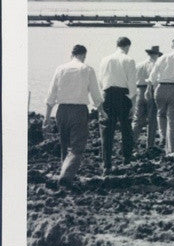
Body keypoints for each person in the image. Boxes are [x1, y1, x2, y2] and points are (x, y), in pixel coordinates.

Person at [43, 44, 104, 185]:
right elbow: (96, 95)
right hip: (79, 111)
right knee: (77, 148)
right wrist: (101, 111)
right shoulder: (87, 69)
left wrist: (46, 117)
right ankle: (65, 177)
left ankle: (64, 174)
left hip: (62, 110)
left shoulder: (60, 69)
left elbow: (51, 95)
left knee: (64, 145)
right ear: (83, 55)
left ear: (72, 55)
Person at [98, 36, 138, 175]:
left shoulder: (104, 59)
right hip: (123, 96)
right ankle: (126, 160)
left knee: (106, 131)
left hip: (108, 95)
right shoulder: (129, 60)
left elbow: (100, 81)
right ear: (128, 46)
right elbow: (132, 84)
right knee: (126, 129)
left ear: (117, 45)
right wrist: (133, 104)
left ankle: (106, 165)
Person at [134, 45, 161, 152]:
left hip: (139, 91)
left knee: (138, 119)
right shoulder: (156, 65)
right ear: (157, 54)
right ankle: (150, 145)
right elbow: (155, 81)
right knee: (152, 120)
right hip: (151, 91)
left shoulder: (139, 65)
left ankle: (133, 141)